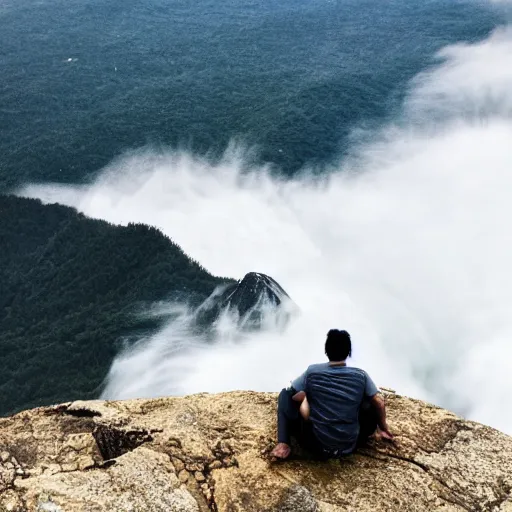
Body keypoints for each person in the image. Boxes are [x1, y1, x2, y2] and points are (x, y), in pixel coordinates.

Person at [270, 329, 393, 460]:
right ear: (348, 352)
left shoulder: (312, 372)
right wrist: (383, 427)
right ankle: (374, 432)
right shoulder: (360, 375)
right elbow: (379, 403)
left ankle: (283, 443)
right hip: (350, 446)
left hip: (315, 445)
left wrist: (306, 398)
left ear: (326, 350)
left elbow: (292, 390)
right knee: (369, 401)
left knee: (285, 394)